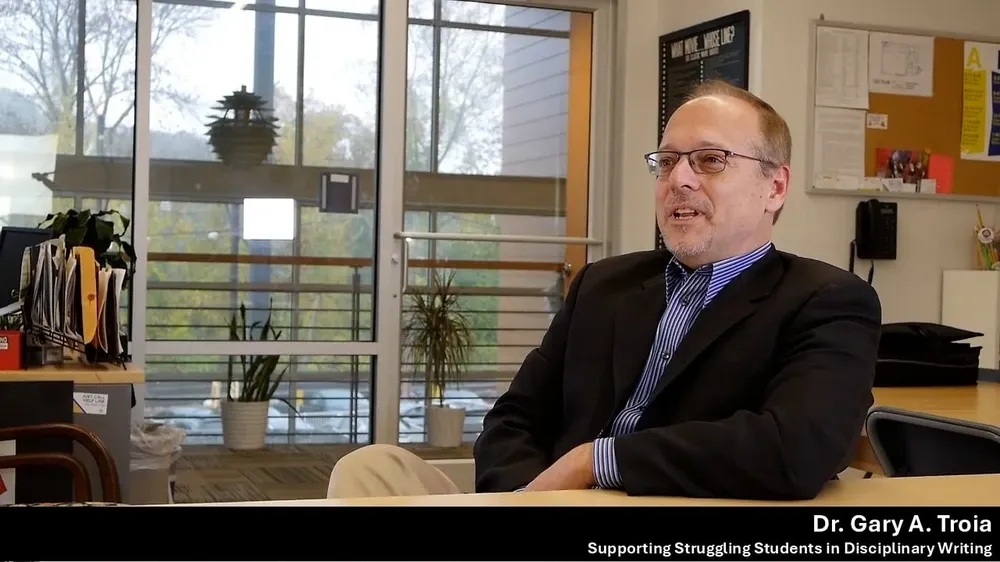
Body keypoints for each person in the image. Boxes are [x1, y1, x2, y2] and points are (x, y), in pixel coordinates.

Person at [328, 80, 881, 501]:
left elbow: (795, 448)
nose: (679, 180)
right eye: (666, 162)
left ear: (774, 187)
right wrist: (535, 498)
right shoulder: (604, 284)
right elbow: (513, 420)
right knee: (370, 468)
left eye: (710, 161)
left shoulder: (827, 299)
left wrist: (598, 461)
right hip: (547, 504)